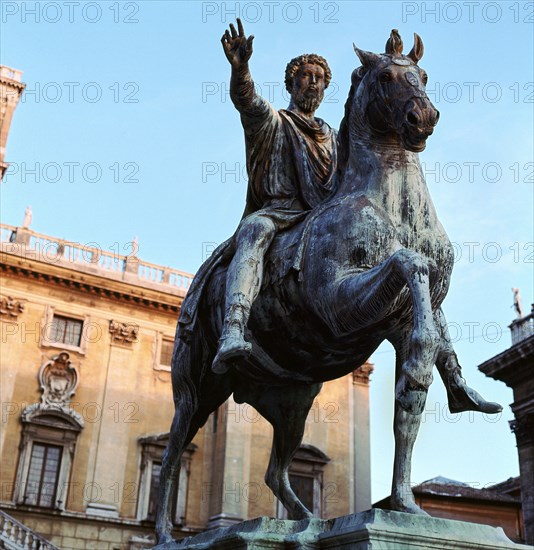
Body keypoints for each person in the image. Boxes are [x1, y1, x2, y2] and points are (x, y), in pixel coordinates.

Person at [209, 19, 338, 373]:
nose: (313, 81)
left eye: (320, 78)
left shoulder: (335, 138)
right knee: (254, 232)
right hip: (278, 213)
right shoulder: (274, 121)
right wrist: (241, 68)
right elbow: (246, 100)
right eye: (307, 75)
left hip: (322, 219)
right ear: (291, 83)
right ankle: (233, 327)